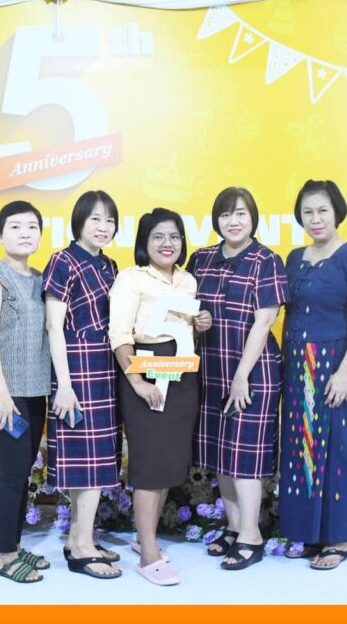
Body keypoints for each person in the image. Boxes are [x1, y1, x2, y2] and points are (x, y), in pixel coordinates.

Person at [186, 187, 288, 570]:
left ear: (253, 218)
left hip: (253, 372)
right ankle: (232, 527)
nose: (233, 221)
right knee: (220, 454)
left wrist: (242, 375)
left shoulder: (266, 260)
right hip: (211, 368)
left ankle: (251, 535)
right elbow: (188, 311)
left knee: (244, 457)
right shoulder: (202, 259)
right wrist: (197, 321)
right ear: (217, 220)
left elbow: (264, 322)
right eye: (226, 214)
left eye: (241, 214)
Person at [279, 180, 347, 571]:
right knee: (299, 448)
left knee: (335, 449)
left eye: (322, 210)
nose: (315, 219)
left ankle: (337, 539)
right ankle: (305, 534)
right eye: (307, 212)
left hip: (334, 364)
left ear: (337, 213)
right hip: (296, 363)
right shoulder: (294, 258)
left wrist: (344, 371)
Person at [109, 208, 206, 586]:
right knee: (149, 462)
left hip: (181, 374)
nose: (168, 244)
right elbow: (120, 334)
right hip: (145, 372)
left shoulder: (188, 281)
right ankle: (149, 552)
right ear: (144, 242)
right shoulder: (131, 279)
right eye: (158, 237)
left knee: (168, 460)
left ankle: (142, 537)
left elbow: (184, 330)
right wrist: (136, 382)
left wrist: (201, 323)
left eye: (174, 236)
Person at [0, 201, 52, 584]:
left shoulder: (39, 278)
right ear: (0, 234)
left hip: (33, 391)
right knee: (14, 474)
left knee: (23, 472)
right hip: (1, 393)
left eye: (32, 226)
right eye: (15, 226)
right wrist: (2, 394)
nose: (24, 233)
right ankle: (4, 557)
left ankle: (15, 547)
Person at [44, 190, 123, 579]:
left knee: (96, 458)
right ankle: (82, 549)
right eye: (95, 219)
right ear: (79, 221)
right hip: (76, 369)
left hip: (105, 368)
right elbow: (53, 325)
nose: (103, 226)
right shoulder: (63, 260)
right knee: (86, 462)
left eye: (109, 220)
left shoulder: (109, 265)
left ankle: (79, 537)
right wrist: (64, 384)